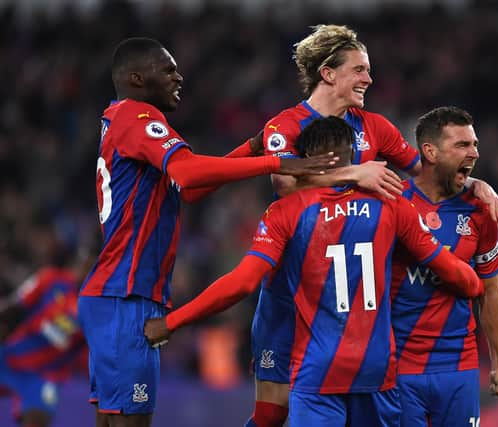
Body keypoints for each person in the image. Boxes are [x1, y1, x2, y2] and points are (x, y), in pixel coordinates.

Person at [144, 116, 485, 427]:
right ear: (354, 156)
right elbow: (456, 273)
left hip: (319, 370)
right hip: (377, 369)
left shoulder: (286, 211)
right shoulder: (392, 204)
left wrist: (172, 322)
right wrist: (473, 281)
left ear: (309, 159)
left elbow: (243, 283)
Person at [248, 24, 498, 427]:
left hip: (360, 300)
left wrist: (475, 182)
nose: (369, 79)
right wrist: (356, 174)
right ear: (329, 74)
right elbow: (284, 183)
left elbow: (427, 170)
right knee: (272, 411)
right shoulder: (286, 125)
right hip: (296, 288)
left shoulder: (375, 128)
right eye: (359, 69)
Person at [77, 37, 340, 427]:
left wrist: (251, 148)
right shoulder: (136, 117)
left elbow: (192, 189)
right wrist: (278, 164)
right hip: (125, 297)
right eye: (167, 69)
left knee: (111, 421)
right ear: (136, 78)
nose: (178, 76)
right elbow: (187, 171)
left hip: (113, 295)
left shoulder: (119, 122)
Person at [390, 106, 498, 427]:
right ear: (430, 151)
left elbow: (491, 289)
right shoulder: (392, 202)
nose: (473, 152)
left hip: (458, 367)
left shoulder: (480, 209)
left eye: (474, 145)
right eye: (462, 145)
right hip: (397, 367)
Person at [0, 235, 87, 427]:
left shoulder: (97, 311)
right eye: (84, 261)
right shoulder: (52, 279)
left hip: (45, 377)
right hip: (11, 357)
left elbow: (90, 356)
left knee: (36, 421)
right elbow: (13, 307)